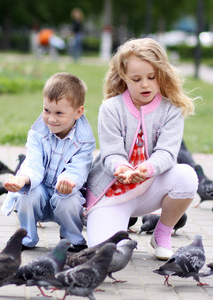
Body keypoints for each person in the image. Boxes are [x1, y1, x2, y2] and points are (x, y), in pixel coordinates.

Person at [84, 38, 198, 261]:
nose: (145, 84)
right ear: (124, 78)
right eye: (136, 79)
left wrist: (146, 169)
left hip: (150, 187)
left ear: (161, 75)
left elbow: (167, 153)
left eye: (151, 77)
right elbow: (111, 152)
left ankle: (162, 234)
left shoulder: (171, 109)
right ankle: (108, 225)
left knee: (187, 177)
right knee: (108, 256)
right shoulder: (110, 108)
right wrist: (122, 168)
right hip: (114, 192)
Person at [2, 72, 96, 252]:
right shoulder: (37, 134)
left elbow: (79, 167)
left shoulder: (85, 141)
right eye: (46, 111)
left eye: (59, 113)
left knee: (70, 200)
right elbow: (33, 162)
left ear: (78, 112)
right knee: (26, 194)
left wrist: (69, 180)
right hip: (41, 193)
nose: (51, 119)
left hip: (64, 193)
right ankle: (27, 236)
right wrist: (23, 179)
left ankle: (72, 237)